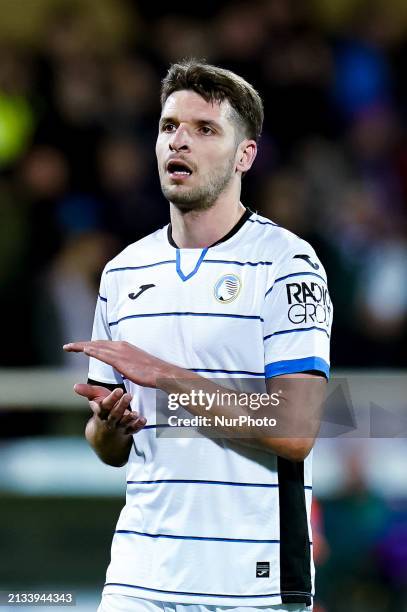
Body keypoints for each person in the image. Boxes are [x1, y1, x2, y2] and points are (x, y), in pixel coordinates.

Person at [64, 59, 333, 612]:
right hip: (140, 573)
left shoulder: (285, 264)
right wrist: (112, 425)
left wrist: (163, 375)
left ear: (245, 155)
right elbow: (108, 447)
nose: (178, 142)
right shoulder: (123, 272)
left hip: (252, 583)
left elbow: (295, 429)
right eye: (169, 127)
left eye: (204, 129)